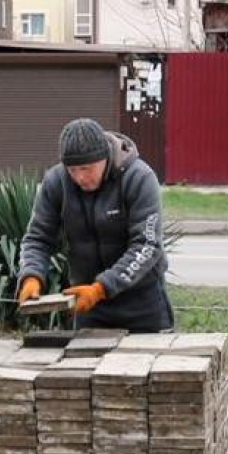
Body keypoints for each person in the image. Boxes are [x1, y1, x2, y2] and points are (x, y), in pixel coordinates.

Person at [18, 118, 174, 333]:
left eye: (86, 168)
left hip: (142, 302)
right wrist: (31, 275)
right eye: (72, 170)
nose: (80, 177)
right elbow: (38, 238)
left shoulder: (139, 178)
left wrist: (102, 288)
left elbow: (147, 245)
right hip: (87, 301)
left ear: (105, 157)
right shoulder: (56, 182)